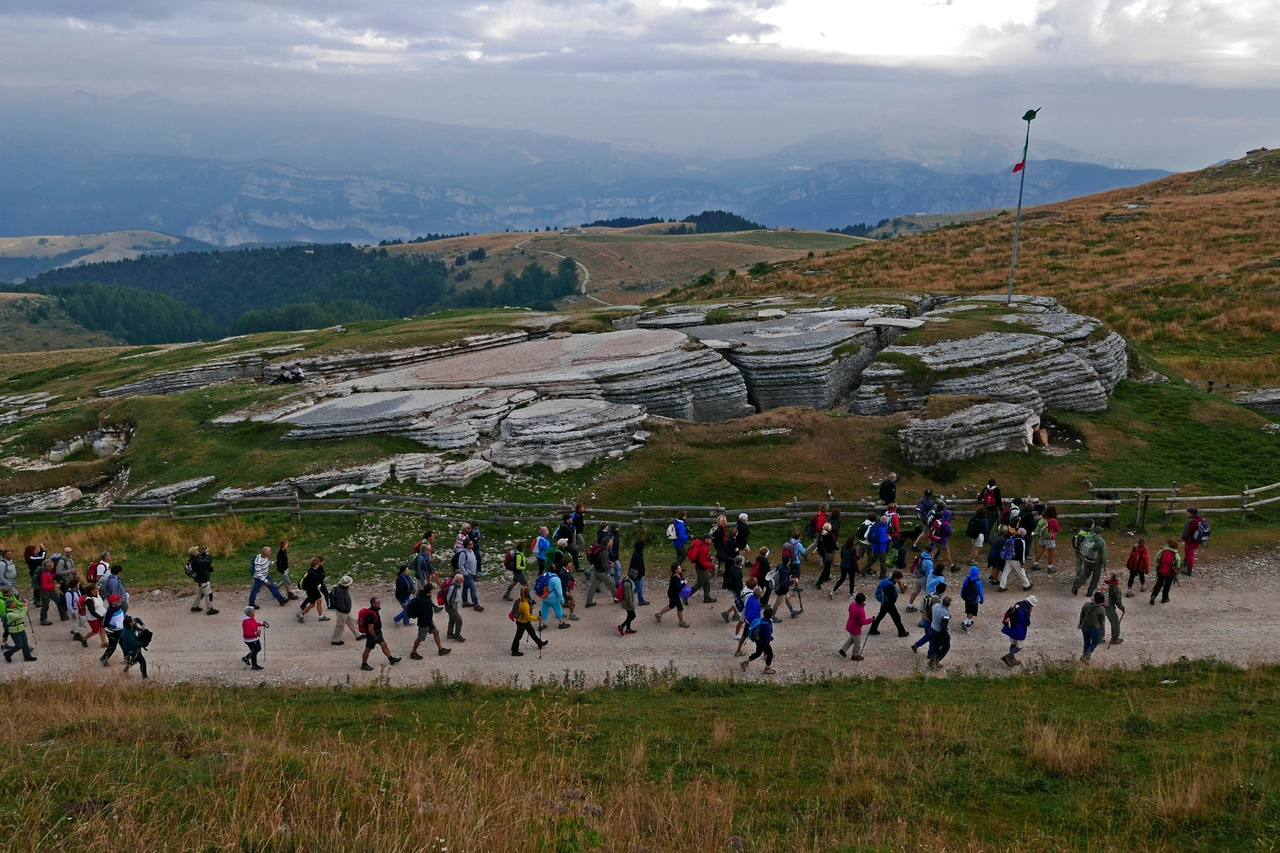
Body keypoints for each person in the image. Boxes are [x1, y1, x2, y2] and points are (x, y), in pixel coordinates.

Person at [409, 583, 450, 659]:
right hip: (424, 623)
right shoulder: (425, 602)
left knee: (436, 632)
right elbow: (426, 615)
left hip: (427, 621)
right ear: (430, 591)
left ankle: (440, 649)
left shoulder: (423, 596)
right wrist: (430, 626)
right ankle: (413, 653)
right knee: (420, 638)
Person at [359, 598, 401, 671]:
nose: (379, 604)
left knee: (384, 645)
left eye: (379, 602)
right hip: (373, 635)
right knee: (368, 649)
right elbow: (370, 628)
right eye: (377, 603)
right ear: (372, 604)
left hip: (378, 633)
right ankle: (364, 664)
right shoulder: (370, 615)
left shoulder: (374, 611)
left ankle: (391, 659)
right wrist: (374, 636)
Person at [1071, 520, 1108, 597]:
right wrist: (1105, 565)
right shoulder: (1101, 541)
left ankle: (1076, 586)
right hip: (1096, 562)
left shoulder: (1088, 537)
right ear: (1101, 533)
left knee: (1085, 574)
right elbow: (1103, 555)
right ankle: (1090, 592)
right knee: (1095, 577)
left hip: (1087, 559)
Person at [869, 571, 909, 637]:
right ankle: (902, 632)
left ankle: (873, 629)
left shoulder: (887, 581)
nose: (900, 580)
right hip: (888, 603)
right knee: (896, 617)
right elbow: (891, 597)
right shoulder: (891, 586)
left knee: (881, 615)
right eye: (899, 579)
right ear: (896, 578)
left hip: (884, 601)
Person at [1000, 595, 1036, 667]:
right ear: (1030, 604)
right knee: (1020, 645)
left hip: (1011, 627)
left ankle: (1012, 659)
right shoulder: (1026, 611)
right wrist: (1029, 614)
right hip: (1018, 630)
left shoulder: (1018, 604)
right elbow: (1027, 623)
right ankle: (1009, 656)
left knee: (1013, 643)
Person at [739, 606, 776, 675]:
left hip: (758, 640)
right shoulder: (766, 624)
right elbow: (766, 636)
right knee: (770, 654)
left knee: (758, 653)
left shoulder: (762, 620)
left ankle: (745, 662)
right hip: (763, 642)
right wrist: (771, 638)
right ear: (771, 615)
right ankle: (767, 668)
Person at [839, 592, 874, 661]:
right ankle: (855, 655)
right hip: (856, 629)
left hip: (850, 625)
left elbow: (849, 610)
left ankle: (843, 649)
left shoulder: (852, 604)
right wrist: (871, 619)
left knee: (852, 639)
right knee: (857, 642)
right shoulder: (861, 610)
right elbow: (863, 622)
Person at [912, 580, 942, 657]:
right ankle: (930, 654)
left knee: (928, 635)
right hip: (930, 621)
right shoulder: (937, 600)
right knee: (931, 638)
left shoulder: (931, 594)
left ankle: (917, 645)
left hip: (925, 619)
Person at [513, 585, 547, 655]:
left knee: (531, 632)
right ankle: (514, 650)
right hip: (522, 622)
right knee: (518, 636)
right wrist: (537, 618)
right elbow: (528, 616)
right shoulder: (524, 604)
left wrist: (530, 608)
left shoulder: (522, 600)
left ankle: (539, 643)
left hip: (524, 621)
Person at [2, 594, 35, 663]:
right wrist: (25, 607)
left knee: (25, 643)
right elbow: (21, 616)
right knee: (19, 645)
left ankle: (27, 657)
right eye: (13, 603)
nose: (15, 604)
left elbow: (22, 610)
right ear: (10, 606)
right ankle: (8, 653)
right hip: (14, 631)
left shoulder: (16, 609)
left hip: (21, 629)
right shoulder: (9, 614)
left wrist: (24, 604)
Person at [655, 563, 689, 628]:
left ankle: (659, 614)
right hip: (673, 595)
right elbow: (678, 589)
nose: (681, 568)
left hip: (672, 593)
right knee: (680, 608)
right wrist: (684, 584)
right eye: (679, 568)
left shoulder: (678, 575)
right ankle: (681, 622)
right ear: (676, 570)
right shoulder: (674, 578)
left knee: (671, 606)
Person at [536, 565, 570, 630]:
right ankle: (561, 623)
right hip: (553, 598)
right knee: (558, 609)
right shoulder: (556, 579)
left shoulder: (545, 574)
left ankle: (541, 624)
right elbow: (559, 591)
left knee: (544, 609)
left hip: (545, 596)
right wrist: (562, 600)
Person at [330, 576, 360, 645]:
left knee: (352, 621)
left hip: (346, 611)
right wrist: (346, 609)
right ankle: (335, 640)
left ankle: (358, 634)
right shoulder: (340, 591)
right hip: (343, 612)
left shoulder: (341, 588)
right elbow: (340, 604)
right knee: (340, 626)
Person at [686, 534, 717, 603]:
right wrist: (712, 566)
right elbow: (703, 561)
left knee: (707, 582)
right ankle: (686, 596)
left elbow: (703, 557)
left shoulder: (704, 546)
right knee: (700, 583)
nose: (711, 540)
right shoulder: (704, 547)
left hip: (701, 567)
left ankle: (707, 597)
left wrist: (709, 558)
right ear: (706, 539)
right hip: (701, 568)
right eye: (710, 539)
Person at [187, 545, 217, 615]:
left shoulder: (193, 559)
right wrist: (207, 554)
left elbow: (200, 556)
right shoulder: (198, 561)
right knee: (208, 594)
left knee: (200, 593)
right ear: (194, 553)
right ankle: (209, 609)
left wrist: (204, 552)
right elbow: (208, 562)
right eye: (197, 550)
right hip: (203, 580)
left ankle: (194, 607)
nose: (198, 551)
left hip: (199, 580)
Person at [297, 556, 329, 622]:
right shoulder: (313, 574)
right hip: (313, 590)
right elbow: (315, 583)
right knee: (315, 603)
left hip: (311, 590)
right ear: (316, 565)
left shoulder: (310, 571)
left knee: (315, 603)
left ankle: (302, 615)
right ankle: (302, 615)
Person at [1079, 591, 1107, 664]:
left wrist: (1080, 623)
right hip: (1095, 628)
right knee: (1095, 642)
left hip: (1085, 626)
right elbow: (1102, 622)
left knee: (1086, 641)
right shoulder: (1101, 610)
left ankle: (1086, 658)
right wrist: (1103, 632)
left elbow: (1082, 614)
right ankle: (1085, 656)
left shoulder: (1086, 604)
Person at [735, 581, 762, 657]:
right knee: (760, 639)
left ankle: (738, 651)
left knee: (744, 636)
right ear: (760, 595)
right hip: (753, 624)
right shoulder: (756, 604)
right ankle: (765, 654)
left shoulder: (750, 597)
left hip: (747, 621)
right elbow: (754, 616)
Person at [1151, 540, 1181, 605]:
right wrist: (1176, 568)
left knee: (1159, 583)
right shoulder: (1176, 553)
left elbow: (1155, 558)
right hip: (1170, 572)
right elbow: (1178, 564)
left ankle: (1153, 596)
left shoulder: (1163, 551)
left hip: (1161, 570)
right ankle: (1165, 598)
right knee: (1167, 585)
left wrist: (1160, 563)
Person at [583, 540, 612, 607]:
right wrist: (610, 565)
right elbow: (604, 565)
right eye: (611, 541)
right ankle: (617, 598)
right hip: (602, 572)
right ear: (607, 543)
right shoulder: (605, 552)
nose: (612, 542)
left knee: (592, 587)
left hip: (596, 570)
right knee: (611, 585)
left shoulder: (600, 550)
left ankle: (589, 602)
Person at [456, 537, 482, 611]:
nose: (473, 545)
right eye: (471, 544)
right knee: (473, 588)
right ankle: (476, 604)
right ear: (467, 546)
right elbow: (461, 564)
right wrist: (465, 573)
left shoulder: (471, 551)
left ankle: (465, 602)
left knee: (465, 587)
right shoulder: (463, 554)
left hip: (471, 573)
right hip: (467, 574)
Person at [100, 594, 126, 666]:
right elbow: (105, 623)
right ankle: (104, 658)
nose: (119, 600)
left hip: (120, 630)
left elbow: (121, 615)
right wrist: (115, 626)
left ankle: (127, 658)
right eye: (117, 600)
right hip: (113, 632)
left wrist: (125, 617)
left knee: (124, 644)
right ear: (113, 602)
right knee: (112, 646)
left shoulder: (118, 607)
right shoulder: (110, 611)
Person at [1181, 507, 1208, 576]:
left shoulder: (1192, 521)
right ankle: (1186, 562)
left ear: (1191, 513)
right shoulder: (1201, 519)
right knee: (1189, 551)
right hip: (1198, 540)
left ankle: (1189, 569)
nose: (1187, 514)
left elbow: (1187, 532)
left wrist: (1183, 538)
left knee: (1190, 553)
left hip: (1191, 540)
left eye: (1188, 512)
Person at [929, 595, 953, 671]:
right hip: (939, 631)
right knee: (946, 647)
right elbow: (943, 628)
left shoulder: (935, 606)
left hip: (933, 628)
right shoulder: (945, 614)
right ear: (949, 604)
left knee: (937, 646)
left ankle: (933, 661)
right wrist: (947, 635)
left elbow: (929, 615)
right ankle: (934, 661)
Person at [1033, 506, 1060, 573]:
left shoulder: (1042, 519)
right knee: (1051, 553)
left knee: (1040, 551)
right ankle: (1050, 567)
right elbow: (1057, 529)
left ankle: (1035, 564)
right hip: (1050, 539)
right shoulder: (1053, 521)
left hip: (1042, 537)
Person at [241, 605, 267, 671]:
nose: (254, 612)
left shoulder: (251, 618)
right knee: (254, 651)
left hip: (254, 638)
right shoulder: (246, 622)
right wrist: (256, 633)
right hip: (250, 640)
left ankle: (246, 658)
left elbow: (255, 623)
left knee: (258, 649)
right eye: (253, 611)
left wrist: (261, 624)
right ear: (249, 613)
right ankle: (254, 666)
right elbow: (246, 634)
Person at [1102, 572, 1125, 645]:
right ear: (1117, 581)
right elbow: (1118, 601)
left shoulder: (1104, 585)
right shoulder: (1116, 588)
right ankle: (1115, 638)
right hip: (1108, 606)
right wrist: (1122, 608)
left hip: (1099, 605)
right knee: (1115, 622)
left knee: (1100, 621)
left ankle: (1099, 638)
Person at [960, 565, 984, 631]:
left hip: (967, 598)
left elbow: (963, 588)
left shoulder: (966, 579)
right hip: (974, 600)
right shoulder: (979, 582)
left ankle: (969, 622)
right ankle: (965, 622)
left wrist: (962, 595)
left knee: (968, 610)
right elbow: (980, 592)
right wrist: (982, 600)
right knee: (972, 612)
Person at [65, 578, 88, 647]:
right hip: (73, 609)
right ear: (75, 585)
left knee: (82, 620)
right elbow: (68, 604)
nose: (79, 584)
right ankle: (76, 634)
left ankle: (75, 629)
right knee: (75, 621)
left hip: (79, 608)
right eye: (78, 583)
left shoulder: (77, 591)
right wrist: (72, 613)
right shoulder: (69, 593)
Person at [443, 572, 466, 641]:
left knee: (452, 619)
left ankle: (449, 634)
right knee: (459, 620)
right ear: (458, 580)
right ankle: (457, 635)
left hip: (452, 605)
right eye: (462, 580)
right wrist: (452, 606)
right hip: (451, 606)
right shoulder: (453, 587)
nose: (463, 581)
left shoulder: (455, 585)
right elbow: (449, 598)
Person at [815, 523, 838, 590]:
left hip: (822, 552)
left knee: (827, 565)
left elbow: (818, 544)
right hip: (828, 553)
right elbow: (833, 545)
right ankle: (819, 582)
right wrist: (837, 548)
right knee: (827, 567)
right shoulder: (829, 536)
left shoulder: (820, 534)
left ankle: (826, 577)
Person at [391, 563, 415, 627]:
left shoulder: (407, 577)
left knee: (408, 608)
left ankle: (406, 621)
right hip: (402, 597)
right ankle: (396, 619)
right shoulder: (400, 580)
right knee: (408, 609)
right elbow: (400, 591)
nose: (408, 571)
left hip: (407, 595)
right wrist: (403, 601)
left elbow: (410, 585)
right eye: (407, 570)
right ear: (403, 572)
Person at [36, 559, 58, 625]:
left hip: (50, 590)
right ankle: (43, 619)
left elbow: (52, 576)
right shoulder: (44, 575)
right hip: (45, 591)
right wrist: (54, 586)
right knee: (45, 605)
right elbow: (44, 586)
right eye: (51, 565)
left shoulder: (48, 572)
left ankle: (64, 615)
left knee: (58, 600)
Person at [617, 568, 639, 636]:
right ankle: (621, 627)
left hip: (627, 603)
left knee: (629, 615)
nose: (636, 577)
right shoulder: (628, 584)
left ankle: (628, 629)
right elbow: (628, 596)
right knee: (633, 616)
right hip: (628, 603)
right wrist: (632, 604)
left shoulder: (627, 580)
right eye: (635, 575)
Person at [629, 540, 649, 606]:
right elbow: (638, 567)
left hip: (636, 574)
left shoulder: (636, 553)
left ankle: (641, 600)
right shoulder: (638, 555)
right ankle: (627, 599)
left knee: (640, 588)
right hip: (637, 575)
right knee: (637, 588)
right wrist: (640, 574)